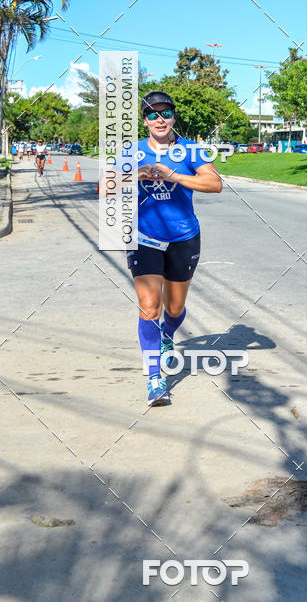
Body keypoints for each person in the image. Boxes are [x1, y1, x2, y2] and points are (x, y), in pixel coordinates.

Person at [127, 91, 222, 406]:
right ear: (144, 120)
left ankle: (167, 335)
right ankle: (155, 378)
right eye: (152, 114)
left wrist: (174, 176)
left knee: (175, 308)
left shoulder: (189, 150)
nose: (159, 120)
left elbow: (214, 183)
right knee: (149, 305)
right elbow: (105, 186)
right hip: (144, 238)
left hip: (183, 238)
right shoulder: (133, 151)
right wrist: (132, 176)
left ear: (173, 117)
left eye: (165, 113)